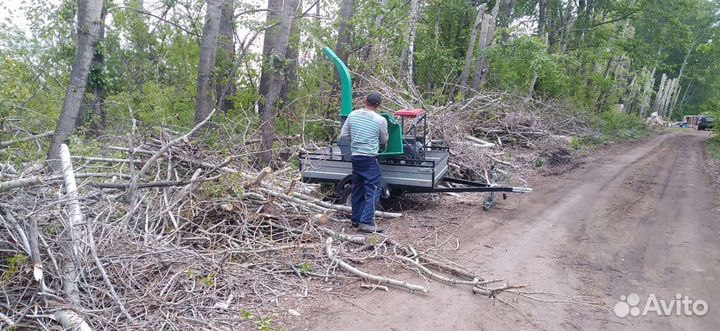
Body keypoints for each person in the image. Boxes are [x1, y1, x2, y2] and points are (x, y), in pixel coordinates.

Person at [339, 92, 388, 233]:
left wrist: (356, 142)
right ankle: (366, 222)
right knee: (373, 189)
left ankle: (356, 221)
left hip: (356, 157)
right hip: (369, 158)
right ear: (378, 105)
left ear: (364, 101)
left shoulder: (352, 115)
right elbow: (384, 140)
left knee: (358, 189)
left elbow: (344, 135)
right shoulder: (380, 120)